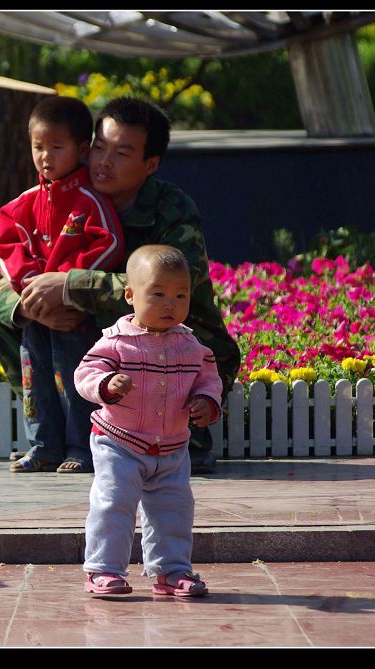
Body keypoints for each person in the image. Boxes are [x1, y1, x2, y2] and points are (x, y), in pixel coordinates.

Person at [0, 96, 240, 475]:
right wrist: (33, 306)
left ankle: (155, 440)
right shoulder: (66, 194)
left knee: (176, 449)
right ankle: (54, 435)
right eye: (100, 147)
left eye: (121, 153)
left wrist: (70, 286)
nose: (103, 162)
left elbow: (172, 283)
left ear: (150, 165)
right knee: (2, 320)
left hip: (167, 343)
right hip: (90, 337)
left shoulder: (171, 209)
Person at [75, 245, 219, 597]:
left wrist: (206, 401)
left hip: (171, 447)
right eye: (158, 293)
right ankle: (103, 570)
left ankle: (171, 571)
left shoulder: (191, 345)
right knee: (114, 502)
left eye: (180, 295)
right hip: (119, 442)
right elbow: (85, 373)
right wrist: (106, 384)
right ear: (130, 295)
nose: (170, 304)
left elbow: (209, 378)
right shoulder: (116, 342)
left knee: (174, 509)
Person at [0, 96, 123, 475]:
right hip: (38, 315)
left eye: (56, 147)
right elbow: (7, 248)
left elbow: (109, 242)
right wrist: (33, 291)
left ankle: (81, 448)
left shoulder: (90, 201)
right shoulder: (23, 204)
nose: (45, 157)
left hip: (73, 315)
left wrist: (65, 282)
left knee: (77, 377)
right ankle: (43, 446)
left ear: (82, 149)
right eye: (38, 147)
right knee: (35, 381)